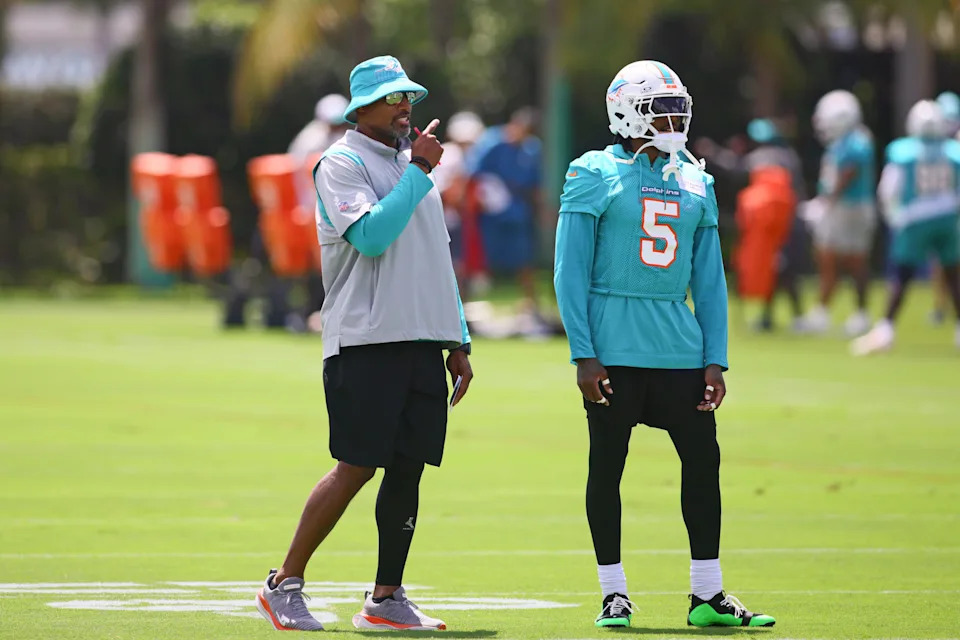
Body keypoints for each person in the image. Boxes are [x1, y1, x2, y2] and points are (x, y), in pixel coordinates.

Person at [554, 60, 775, 629]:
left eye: (679, 109)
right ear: (626, 111)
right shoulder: (592, 172)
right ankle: (614, 593)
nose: (674, 120)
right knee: (608, 467)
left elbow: (709, 280)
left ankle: (708, 593)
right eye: (661, 110)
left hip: (678, 345)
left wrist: (716, 357)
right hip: (614, 347)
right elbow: (569, 272)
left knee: (704, 464)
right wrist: (583, 352)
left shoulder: (696, 179)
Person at [255, 55, 473, 632]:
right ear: (362, 108)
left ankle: (386, 598)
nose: (405, 106)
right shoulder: (341, 162)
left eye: (408, 96)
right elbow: (373, 237)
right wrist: (421, 173)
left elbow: (436, 258)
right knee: (355, 466)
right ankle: (284, 584)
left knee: (408, 470)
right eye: (393, 97)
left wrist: (458, 338)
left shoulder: (410, 165)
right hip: (365, 341)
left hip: (422, 340)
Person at [852, 100, 960, 355]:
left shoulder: (905, 153)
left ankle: (886, 329)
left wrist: (895, 217)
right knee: (954, 276)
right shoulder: (953, 152)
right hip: (947, 217)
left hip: (915, 218)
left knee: (901, 276)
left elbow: (888, 189)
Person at [799, 90, 876, 336]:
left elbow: (848, 173)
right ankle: (823, 311)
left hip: (851, 207)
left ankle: (860, 314)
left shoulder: (857, 141)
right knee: (827, 257)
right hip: (838, 206)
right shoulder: (841, 142)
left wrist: (825, 201)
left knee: (854, 260)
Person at [470, 107, 543, 317]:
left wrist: (543, 210)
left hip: (517, 213)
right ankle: (463, 308)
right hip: (488, 213)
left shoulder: (531, 149)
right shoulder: (491, 141)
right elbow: (473, 175)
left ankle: (531, 307)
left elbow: (535, 184)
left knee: (525, 260)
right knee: (477, 259)